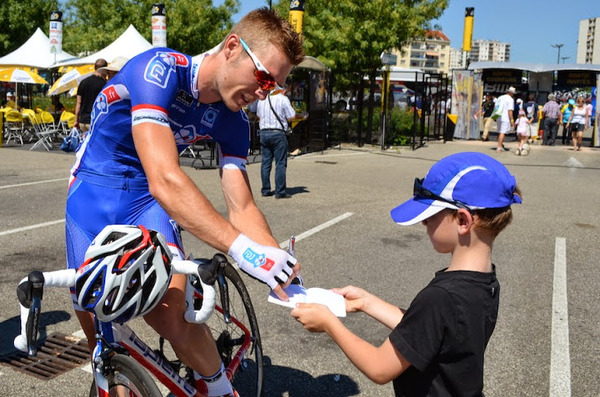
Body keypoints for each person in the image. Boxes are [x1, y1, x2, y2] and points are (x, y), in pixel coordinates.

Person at [65, 8, 304, 397]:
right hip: (93, 195)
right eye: (263, 77)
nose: (264, 92)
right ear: (231, 48)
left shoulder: (235, 120)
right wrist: (245, 252)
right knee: (101, 332)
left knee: (172, 317)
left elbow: (241, 206)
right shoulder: (157, 70)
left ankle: (220, 388)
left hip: (145, 201)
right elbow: (165, 178)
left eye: (273, 87)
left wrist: (278, 266)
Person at [291, 152, 522, 396]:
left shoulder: (440, 297)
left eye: (430, 216)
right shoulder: (486, 282)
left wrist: (329, 323)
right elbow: (428, 333)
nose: (424, 223)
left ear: (463, 220)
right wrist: (367, 303)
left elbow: (379, 367)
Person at [254, 86, 299, 198]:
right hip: (278, 133)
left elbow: (259, 115)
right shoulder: (282, 99)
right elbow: (291, 116)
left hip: (264, 133)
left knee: (265, 163)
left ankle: (265, 189)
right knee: (280, 163)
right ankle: (280, 191)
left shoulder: (262, 99)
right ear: (281, 90)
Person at [74, 58, 107, 135]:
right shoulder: (104, 84)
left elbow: (78, 103)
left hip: (83, 122)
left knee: (85, 144)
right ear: (104, 69)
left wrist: (76, 120)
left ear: (94, 67)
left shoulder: (83, 82)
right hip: (95, 120)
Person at [495, 86, 516, 152]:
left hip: (498, 116)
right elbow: (510, 110)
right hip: (505, 117)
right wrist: (512, 120)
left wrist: (494, 117)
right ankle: (499, 147)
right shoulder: (510, 99)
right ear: (511, 93)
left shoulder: (500, 97)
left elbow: (495, 107)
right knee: (503, 132)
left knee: (499, 131)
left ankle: (500, 144)